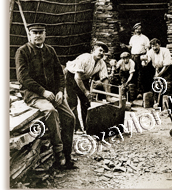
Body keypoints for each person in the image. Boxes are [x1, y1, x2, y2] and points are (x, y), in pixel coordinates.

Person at [15, 23, 76, 169]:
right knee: (51, 111)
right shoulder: (22, 52)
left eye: (40, 32)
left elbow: (59, 73)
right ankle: (58, 154)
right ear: (29, 35)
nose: (37, 35)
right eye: (34, 32)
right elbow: (23, 77)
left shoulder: (50, 50)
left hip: (53, 93)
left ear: (45, 34)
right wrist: (43, 92)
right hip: (33, 95)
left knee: (70, 117)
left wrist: (60, 90)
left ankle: (68, 155)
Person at [65, 41, 113, 133]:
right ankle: (76, 128)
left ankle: (88, 127)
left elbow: (105, 79)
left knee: (86, 102)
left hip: (83, 78)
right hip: (71, 76)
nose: (102, 53)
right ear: (93, 51)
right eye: (100, 50)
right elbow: (77, 77)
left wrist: (108, 96)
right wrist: (86, 91)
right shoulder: (85, 58)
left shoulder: (101, 63)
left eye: (103, 52)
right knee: (72, 102)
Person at [141, 38, 172, 106]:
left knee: (167, 86)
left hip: (168, 69)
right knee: (157, 85)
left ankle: (167, 105)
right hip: (158, 68)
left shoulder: (165, 51)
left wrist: (159, 75)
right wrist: (144, 61)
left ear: (159, 45)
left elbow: (166, 66)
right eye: (153, 46)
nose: (154, 48)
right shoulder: (150, 52)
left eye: (156, 45)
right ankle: (157, 103)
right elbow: (146, 62)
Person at [127, 23, 150, 99]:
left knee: (141, 74)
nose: (138, 30)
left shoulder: (145, 38)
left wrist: (145, 58)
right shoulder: (132, 38)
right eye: (136, 29)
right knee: (133, 72)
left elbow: (147, 50)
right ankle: (133, 92)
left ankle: (140, 92)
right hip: (133, 56)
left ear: (141, 29)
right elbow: (130, 47)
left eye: (139, 29)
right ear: (134, 30)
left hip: (141, 56)